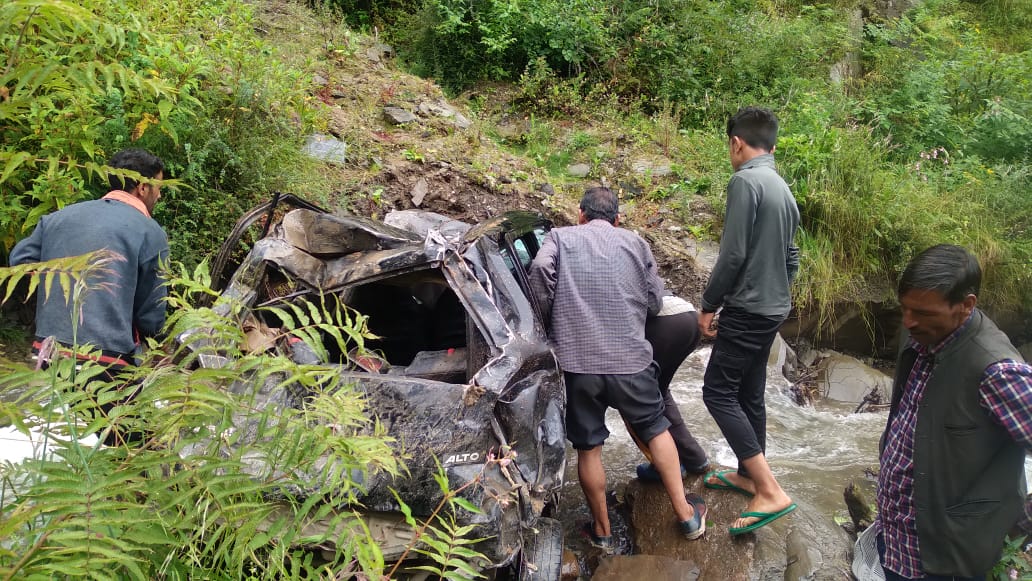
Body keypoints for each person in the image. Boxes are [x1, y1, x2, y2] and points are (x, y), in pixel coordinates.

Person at [529, 186, 707, 548]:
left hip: (578, 365)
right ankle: (687, 516)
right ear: (618, 219)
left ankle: (602, 530)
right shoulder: (635, 243)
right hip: (630, 359)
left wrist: (548, 321)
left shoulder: (559, 238)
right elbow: (655, 300)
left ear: (580, 213)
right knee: (657, 430)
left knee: (589, 448)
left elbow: (540, 271)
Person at [874, 244, 1032, 580]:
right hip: (896, 539)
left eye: (923, 313)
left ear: (966, 306)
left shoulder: (997, 371)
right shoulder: (923, 334)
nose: (908, 321)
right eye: (904, 308)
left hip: (944, 558)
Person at [9, 148, 169, 444]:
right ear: (143, 187)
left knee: (57, 438)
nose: (160, 196)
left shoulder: (58, 218)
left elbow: (20, 265)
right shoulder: (150, 232)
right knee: (129, 448)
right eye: (159, 188)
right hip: (108, 360)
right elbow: (151, 314)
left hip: (50, 350)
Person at [698, 106, 799, 535]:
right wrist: (777, 289)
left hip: (748, 309)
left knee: (717, 393)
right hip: (774, 309)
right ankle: (746, 473)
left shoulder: (745, 181)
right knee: (749, 393)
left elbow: (733, 255)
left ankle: (769, 490)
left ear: (737, 143)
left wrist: (708, 304)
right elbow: (792, 256)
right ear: (771, 145)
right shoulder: (782, 187)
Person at [632, 294, 711, 481]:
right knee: (659, 391)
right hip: (688, 316)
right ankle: (695, 458)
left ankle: (665, 466)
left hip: (664, 323)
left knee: (635, 398)